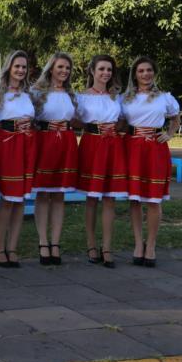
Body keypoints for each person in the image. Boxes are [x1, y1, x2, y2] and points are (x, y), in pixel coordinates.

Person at [122, 56, 180, 267]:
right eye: (141, 71)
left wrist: (170, 134)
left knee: (153, 199)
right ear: (135, 75)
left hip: (155, 148)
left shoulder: (165, 98)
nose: (145, 74)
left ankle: (151, 245)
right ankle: (138, 244)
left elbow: (176, 118)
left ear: (154, 73)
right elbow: (119, 123)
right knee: (135, 199)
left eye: (149, 70)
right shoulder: (125, 99)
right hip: (132, 147)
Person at [75, 55, 126, 268]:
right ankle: (91, 244)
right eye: (101, 69)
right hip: (92, 145)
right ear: (92, 71)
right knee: (92, 198)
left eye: (109, 69)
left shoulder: (117, 98)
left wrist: (116, 128)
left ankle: (107, 247)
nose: (106, 73)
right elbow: (74, 121)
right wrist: (90, 127)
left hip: (113, 145)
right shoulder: (81, 97)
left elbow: (124, 121)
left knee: (109, 198)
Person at [0, 50, 35, 268]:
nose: (20, 70)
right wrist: (7, 130)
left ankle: (13, 247)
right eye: (17, 66)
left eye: (24, 67)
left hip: (26, 146)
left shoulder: (29, 94)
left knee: (21, 199)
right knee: (7, 199)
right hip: (7, 146)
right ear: (9, 67)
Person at [30, 52, 78, 266]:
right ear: (51, 68)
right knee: (43, 193)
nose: (64, 71)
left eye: (67, 68)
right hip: (45, 141)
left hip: (66, 142)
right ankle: (42, 242)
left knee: (59, 195)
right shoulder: (37, 92)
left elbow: (79, 120)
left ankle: (55, 244)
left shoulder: (71, 93)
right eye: (60, 67)